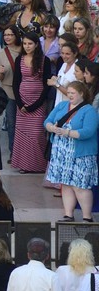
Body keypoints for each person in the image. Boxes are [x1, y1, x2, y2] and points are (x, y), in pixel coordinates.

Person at [43, 80, 98, 222]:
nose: (70, 95)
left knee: (81, 186)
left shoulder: (89, 110)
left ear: (81, 94)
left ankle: (87, 217)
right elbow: (47, 121)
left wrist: (67, 132)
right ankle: (68, 214)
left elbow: (88, 131)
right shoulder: (62, 106)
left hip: (80, 154)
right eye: (68, 93)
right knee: (65, 184)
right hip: (62, 153)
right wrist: (52, 128)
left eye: (73, 93)